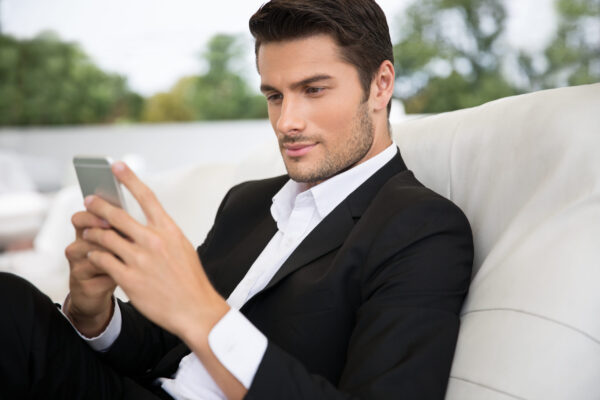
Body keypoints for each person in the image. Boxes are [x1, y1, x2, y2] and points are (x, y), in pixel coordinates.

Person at [0, 0, 473, 399]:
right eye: (274, 95)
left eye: (313, 90)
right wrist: (94, 313)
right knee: (11, 300)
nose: (287, 121)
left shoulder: (421, 227)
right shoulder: (246, 204)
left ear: (381, 84)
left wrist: (202, 313)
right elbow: (158, 345)